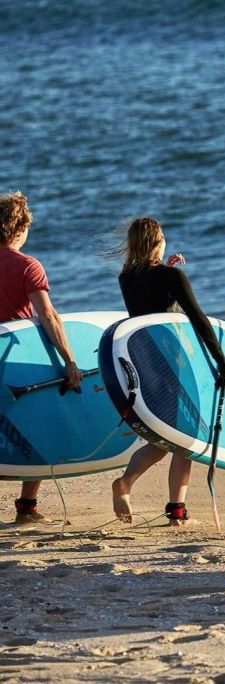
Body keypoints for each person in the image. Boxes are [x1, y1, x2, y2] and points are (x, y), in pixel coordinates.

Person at [110, 217, 225, 526]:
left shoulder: (127, 278)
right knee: (185, 437)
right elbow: (198, 319)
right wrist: (221, 361)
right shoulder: (171, 276)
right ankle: (172, 508)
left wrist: (166, 269)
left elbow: (150, 307)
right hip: (174, 362)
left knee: (168, 436)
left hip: (145, 360)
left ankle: (131, 486)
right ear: (157, 241)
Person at [0, 191, 83, 525]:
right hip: (16, 361)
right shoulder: (27, 266)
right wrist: (70, 360)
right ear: (20, 227)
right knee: (38, 427)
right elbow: (47, 316)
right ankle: (26, 508)